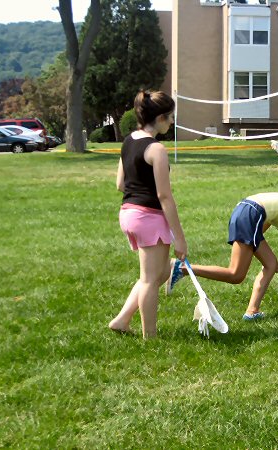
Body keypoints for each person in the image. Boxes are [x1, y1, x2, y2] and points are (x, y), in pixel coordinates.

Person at [165, 190, 278, 320]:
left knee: (270, 264)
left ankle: (252, 312)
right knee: (236, 275)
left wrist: (264, 256)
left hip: (245, 210)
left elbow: (264, 224)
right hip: (250, 214)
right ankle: (182, 268)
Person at [108, 90, 188, 338]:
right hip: (148, 217)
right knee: (150, 281)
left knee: (160, 273)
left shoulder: (129, 140)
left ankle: (121, 320)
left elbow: (120, 184)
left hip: (128, 213)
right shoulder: (156, 149)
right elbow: (165, 197)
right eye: (171, 117)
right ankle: (150, 337)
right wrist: (180, 238)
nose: (172, 122)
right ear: (160, 118)